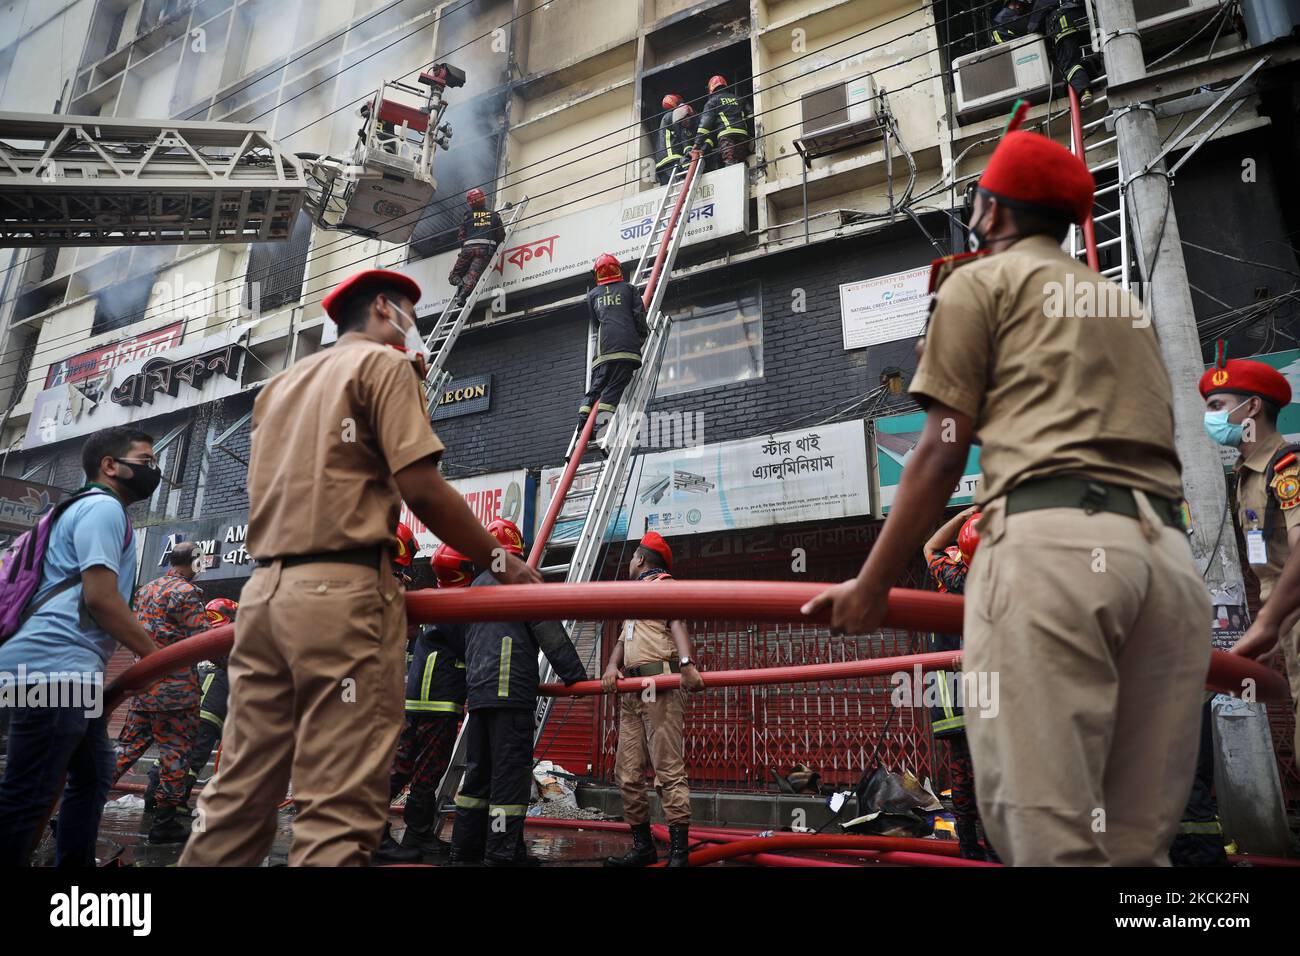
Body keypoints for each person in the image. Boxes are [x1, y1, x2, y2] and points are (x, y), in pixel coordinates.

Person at [802, 116, 1211, 866]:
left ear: (992, 211)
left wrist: (871, 585)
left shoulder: (982, 282)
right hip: (1166, 570)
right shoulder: (1121, 306)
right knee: (1134, 850)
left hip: (1055, 560)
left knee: (1053, 839)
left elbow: (940, 449)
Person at [180, 269, 541, 868]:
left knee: (239, 797)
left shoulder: (279, 389)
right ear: (383, 308)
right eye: (409, 313)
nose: (414, 327)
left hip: (265, 597)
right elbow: (421, 489)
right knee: (339, 808)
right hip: (341, 595)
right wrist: (503, 562)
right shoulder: (386, 367)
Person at [0, 427, 161, 866]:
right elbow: (101, 598)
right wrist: (156, 655)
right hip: (54, 670)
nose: (154, 471)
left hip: (52, 669)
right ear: (110, 465)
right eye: (146, 462)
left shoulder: (77, 509)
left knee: (93, 775)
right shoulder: (103, 508)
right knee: (28, 795)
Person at [449, 519, 587, 867]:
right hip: (509, 696)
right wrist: (576, 678)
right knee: (509, 782)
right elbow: (548, 631)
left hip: (479, 699)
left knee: (477, 780)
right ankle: (501, 854)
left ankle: (465, 851)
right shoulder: (517, 579)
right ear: (517, 552)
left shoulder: (476, 585)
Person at [1200, 359, 1300, 773]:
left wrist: (1266, 624)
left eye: (1217, 404)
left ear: (1252, 409)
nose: (1209, 417)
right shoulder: (1248, 477)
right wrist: (1279, 626)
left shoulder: (1286, 467)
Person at [601, 532, 704, 868]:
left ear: (640, 559)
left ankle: (678, 854)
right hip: (631, 691)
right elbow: (621, 640)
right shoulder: (635, 597)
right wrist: (612, 665)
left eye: (632, 557)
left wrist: (686, 665)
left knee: (667, 771)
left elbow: (677, 621)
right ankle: (643, 847)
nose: (630, 563)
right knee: (627, 774)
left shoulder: (663, 585)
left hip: (660, 685)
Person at [375, 543, 471, 864]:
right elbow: (468, 649)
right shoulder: (459, 607)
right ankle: (416, 834)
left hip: (415, 702)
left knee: (401, 766)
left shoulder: (430, 600)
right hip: (439, 705)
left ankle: (367, 823)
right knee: (427, 773)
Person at [111, 541, 209, 844]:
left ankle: (78, 805)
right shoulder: (186, 594)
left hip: (143, 687)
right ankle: (164, 823)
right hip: (176, 694)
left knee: (124, 751)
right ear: (194, 562)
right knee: (175, 755)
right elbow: (203, 641)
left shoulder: (146, 590)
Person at [921, 506, 998, 862]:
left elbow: (930, 547)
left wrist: (969, 512)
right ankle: (992, 847)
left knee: (967, 770)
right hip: (975, 687)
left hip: (951, 688)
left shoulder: (953, 573)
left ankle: (971, 847)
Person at [143, 597, 239, 814]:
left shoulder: (197, 641)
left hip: (181, 709)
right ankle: (173, 806)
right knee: (192, 762)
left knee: (170, 756)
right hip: (207, 716)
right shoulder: (227, 644)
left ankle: (152, 798)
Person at [576, 254, 648, 447]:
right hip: (625, 351)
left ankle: (582, 425)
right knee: (613, 390)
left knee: (596, 388)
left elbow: (596, 322)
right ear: (618, 269)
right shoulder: (630, 289)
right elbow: (639, 317)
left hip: (602, 354)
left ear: (597, 274)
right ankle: (599, 428)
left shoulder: (592, 296)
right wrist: (641, 337)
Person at [993, 1, 1093, 107]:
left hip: (1063, 28)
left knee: (1068, 64)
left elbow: (1032, 27)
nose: (1019, 7)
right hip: (1084, 22)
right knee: (1072, 61)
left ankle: (1084, 91)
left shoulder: (1039, 4)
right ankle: (1093, 70)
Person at [448, 188, 505, 310]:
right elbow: (501, 235)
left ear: (470, 202)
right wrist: (493, 247)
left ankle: (459, 281)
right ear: (483, 199)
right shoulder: (494, 216)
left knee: (454, 275)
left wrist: (464, 249)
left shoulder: (467, 216)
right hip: (484, 251)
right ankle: (462, 297)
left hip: (468, 250)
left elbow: (461, 236)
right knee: (472, 276)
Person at [692, 75, 751, 169]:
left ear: (711, 88)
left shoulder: (712, 101)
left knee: (729, 160)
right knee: (741, 161)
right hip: (743, 134)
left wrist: (697, 143)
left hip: (726, 135)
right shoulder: (739, 99)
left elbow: (705, 124)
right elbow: (751, 115)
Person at [653, 94, 693, 186]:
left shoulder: (664, 120)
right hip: (672, 160)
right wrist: (689, 150)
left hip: (661, 165)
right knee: (680, 186)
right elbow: (682, 135)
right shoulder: (672, 116)